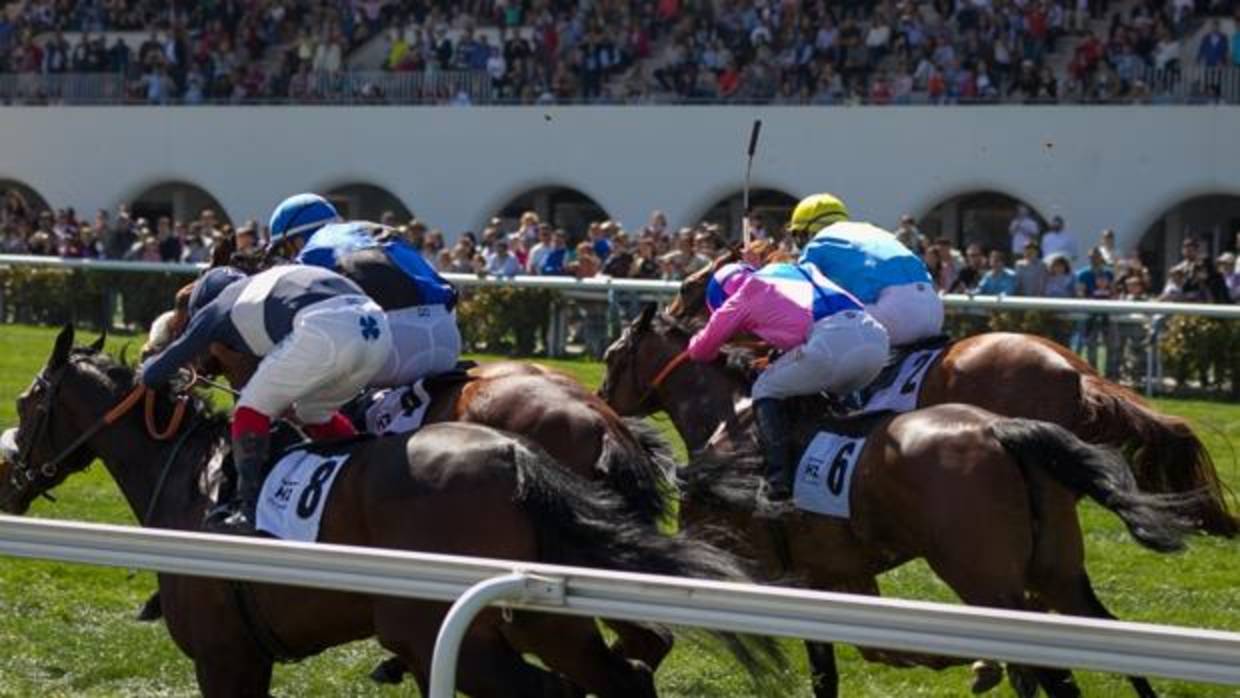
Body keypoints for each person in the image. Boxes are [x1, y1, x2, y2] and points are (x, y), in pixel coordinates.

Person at [140, 265, 392, 534]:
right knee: (313, 413)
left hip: (327, 331)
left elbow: (154, 374)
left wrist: (145, 367)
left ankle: (249, 511)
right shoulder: (264, 288)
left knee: (250, 408)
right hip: (378, 332)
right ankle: (365, 474)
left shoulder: (216, 308)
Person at [687, 262, 890, 501]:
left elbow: (701, 350)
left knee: (765, 387)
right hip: (878, 340)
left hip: (831, 342)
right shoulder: (794, 270)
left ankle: (778, 477)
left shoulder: (741, 297)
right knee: (832, 382)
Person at [267, 193, 461, 389]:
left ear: (296, 240)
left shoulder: (311, 250)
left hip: (392, 346)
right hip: (448, 338)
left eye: (284, 250)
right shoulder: (378, 229)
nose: (287, 257)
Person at [789, 193, 943, 347]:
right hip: (936, 312)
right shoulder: (870, 230)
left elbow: (798, 299)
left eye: (798, 235)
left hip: (895, 317)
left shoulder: (816, 244)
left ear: (809, 231)